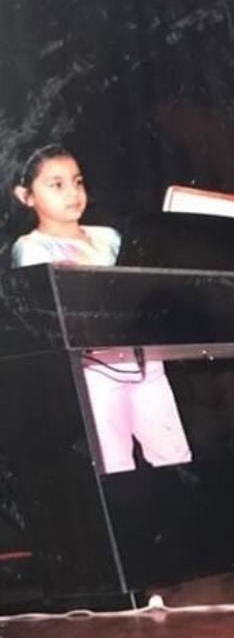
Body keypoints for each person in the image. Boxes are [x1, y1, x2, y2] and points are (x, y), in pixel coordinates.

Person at [11, 144, 192, 474]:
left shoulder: (109, 237)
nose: (73, 193)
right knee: (114, 463)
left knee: (174, 455)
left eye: (77, 181)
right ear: (26, 196)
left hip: (145, 363)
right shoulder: (31, 248)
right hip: (94, 371)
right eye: (57, 185)